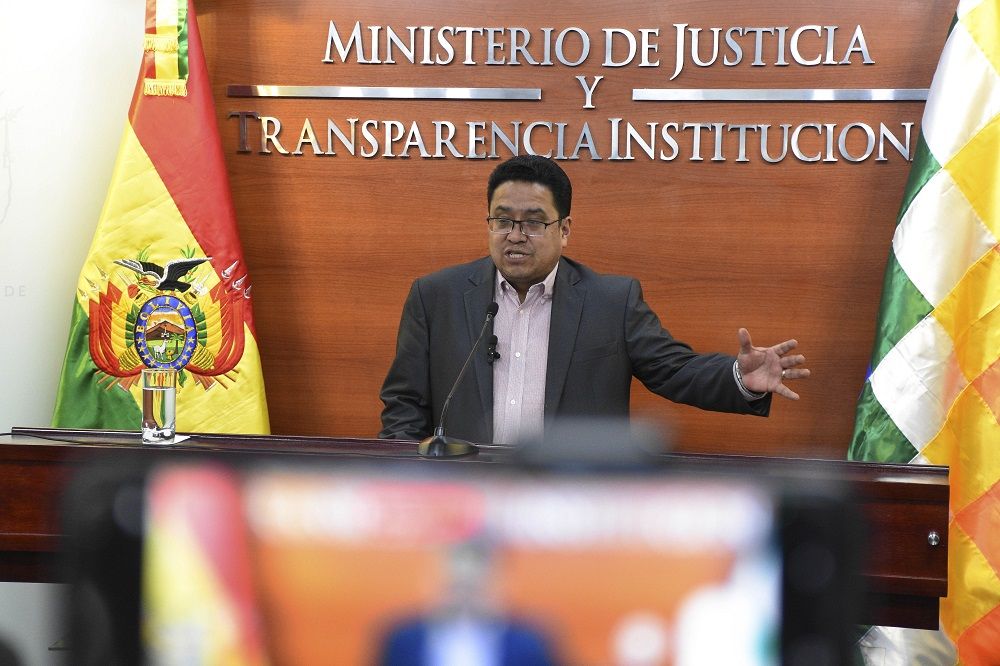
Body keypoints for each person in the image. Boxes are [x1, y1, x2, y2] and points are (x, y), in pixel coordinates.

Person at [379, 155, 808, 444]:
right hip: (466, 499)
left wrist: (738, 378)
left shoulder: (612, 302)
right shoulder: (436, 297)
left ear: (564, 230)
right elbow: (405, 406)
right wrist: (405, 480)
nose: (515, 235)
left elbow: (675, 370)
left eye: (533, 223)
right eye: (502, 220)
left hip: (573, 501)